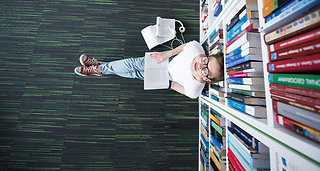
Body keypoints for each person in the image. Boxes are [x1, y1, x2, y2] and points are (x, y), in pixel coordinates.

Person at [74, 40, 224, 99]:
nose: (199, 65)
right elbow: (185, 46)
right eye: (206, 60)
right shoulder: (196, 48)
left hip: (166, 78)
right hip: (166, 60)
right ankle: (101, 68)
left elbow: (178, 87)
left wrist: (168, 84)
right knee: (131, 64)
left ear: (207, 79)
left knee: (134, 73)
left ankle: (100, 68)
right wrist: (167, 54)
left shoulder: (194, 90)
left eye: (205, 70)